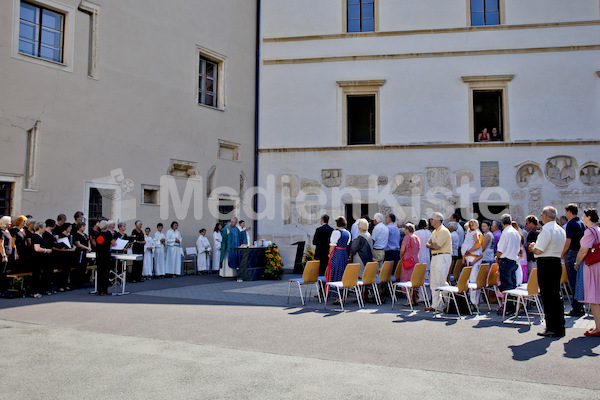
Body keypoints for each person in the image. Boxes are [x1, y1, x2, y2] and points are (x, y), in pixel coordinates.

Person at [530, 206, 567, 338]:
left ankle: (551, 327)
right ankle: (559, 327)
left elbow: (539, 250)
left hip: (546, 263)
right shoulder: (560, 229)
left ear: (545, 216)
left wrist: (533, 247)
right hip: (556, 261)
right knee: (556, 296)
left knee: (548, 296)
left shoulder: (547, 230)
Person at [575, 208, 600, 336]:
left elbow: (583, 251)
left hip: (592, 265)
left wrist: (577, 263)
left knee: (594, 297)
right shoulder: (598, 229)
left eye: (584, 216)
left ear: (589, 218)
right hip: (598, 264)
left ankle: (598, 327)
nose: (583, 218)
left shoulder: (589, 231)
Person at [561, 204, 586, 317]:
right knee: (579, 281)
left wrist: (563, 253)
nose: (566, 214)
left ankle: (576, 308)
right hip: (579, 252)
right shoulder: (581, 223)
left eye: (566, 212)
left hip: (571, 253)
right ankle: (581, 305)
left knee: (573, 281)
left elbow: (568, 240)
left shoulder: (571, 224)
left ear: (569, 212)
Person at [425, 212, 452, 312]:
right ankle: (436, 305)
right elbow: (429, 243)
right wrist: (431, 245)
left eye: (432, 219)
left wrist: (430, 245)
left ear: (438, 220)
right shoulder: (435, 231)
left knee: (441, 280)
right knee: (434, 281)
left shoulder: (443, 231)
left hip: (442, 256)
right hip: (436, 256)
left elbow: (436, 246)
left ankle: (449, 302)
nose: (430, 221)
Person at [325, 216, 351, 305]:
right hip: (344, 253)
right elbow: (347, 244)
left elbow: (332, 245)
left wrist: (330, 254)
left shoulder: (336, 232)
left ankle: (337, 296)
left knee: (335, 272)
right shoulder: (347, 232)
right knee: (342, 273)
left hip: (337, 253)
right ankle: (341, 296)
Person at [495, 214, 521, 296]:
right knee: (513, 284)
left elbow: (500, 249)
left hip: (505, 261)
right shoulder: (516, 232)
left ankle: (508, 306)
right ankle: (513, 304)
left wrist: (497, 257)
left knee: (506, 286)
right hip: (513, 260)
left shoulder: (506, 233)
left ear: (502, 222)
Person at [462, 219, 483, 306]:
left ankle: (473, 301)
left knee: (473, 279)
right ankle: (474, 300)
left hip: (473, 256)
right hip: (472, 256)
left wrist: (468, 251)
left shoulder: (476, 233)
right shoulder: (473, 233)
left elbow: (477, 245)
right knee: (473, 278)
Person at [400, 223, 421, 304]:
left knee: (407, 279)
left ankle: (409, 300)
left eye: (405, 229)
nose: (404, 231)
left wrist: (401, 256)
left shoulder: (407, 237)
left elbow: (402, 249)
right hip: (415, 260)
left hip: (408, 260)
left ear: (408, 230)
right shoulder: (416, 237)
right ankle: (415, 299)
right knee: (414, 280)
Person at [30, 221, 52, 298]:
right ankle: (34, 291)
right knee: (36, 275)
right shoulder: (35, 236)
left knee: (40, 274)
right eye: (43, 227)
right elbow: (37, 248)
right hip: (37, 258)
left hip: (41, 258)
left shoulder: (41, 236)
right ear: (40, 228)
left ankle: (40, 289)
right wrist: (46, 250)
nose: (44, 229)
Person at [95, 220, 116, 296]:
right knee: (105, 272)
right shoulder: (108, 234)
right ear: (106, 227)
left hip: (99, 254)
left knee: (100, 272)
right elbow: (113, 243)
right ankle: (104, 290)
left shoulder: (97, 234)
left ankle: (99, 290)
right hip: (106, 254)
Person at [72, 222, 91, 289]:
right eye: (83, 226)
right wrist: (86, 248)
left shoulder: (85, 234)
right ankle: (77, 282)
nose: (84, 228)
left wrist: (89, 248)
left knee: (83, 267)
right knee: (79, 267)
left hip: (85, 252)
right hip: (80, 252)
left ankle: (82, 282)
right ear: (79, 227)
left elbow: (88, 241)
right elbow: (78, 244)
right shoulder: (76, 235)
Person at [0, 216, 13, 293]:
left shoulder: (7, 231)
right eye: (9, 222)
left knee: (5, 272)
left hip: (8, 254)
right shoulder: (1, 232)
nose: (10, 223)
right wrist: (3, 255)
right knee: (2, 272)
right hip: (3, 255)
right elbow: (1, 245)